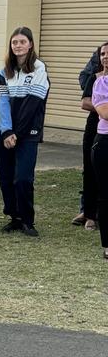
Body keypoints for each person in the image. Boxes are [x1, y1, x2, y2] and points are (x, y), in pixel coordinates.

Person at [0, 26, 50, 237]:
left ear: (30, 44)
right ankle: (14, 217)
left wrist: (18, 132)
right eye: (14, 42)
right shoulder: (3, 72)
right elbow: (3, 102)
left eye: (22, 42)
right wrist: (7, 131)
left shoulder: (39, 68)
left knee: (24, 178)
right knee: (6, 178)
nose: (17, 46)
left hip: (28, 133)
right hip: (5, 133)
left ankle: (27, 220)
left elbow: (33, 104)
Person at [72, 46, 102, 230]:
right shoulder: (96, 72)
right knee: (90, 168)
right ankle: (89, 212)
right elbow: (85, 79)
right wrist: (100, 95)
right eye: (103, 55)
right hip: (96, 124)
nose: (105, 57)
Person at [88, 42, 108, 260]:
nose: (105, 57)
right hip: (104, 142)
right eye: (102, 54)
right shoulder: (100, 82)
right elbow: (104, 111)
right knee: (106, 195)